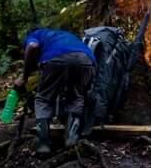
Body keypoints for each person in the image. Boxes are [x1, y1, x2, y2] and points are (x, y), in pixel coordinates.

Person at [20, 25, 95, 153]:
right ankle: (71, 138)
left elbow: (32, 46)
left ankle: (43, 142)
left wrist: (24, 77)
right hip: (86, 60)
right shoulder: (61, 34)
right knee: (76, 96)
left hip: (57, 59)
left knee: (43, 99)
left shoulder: (34, 35)